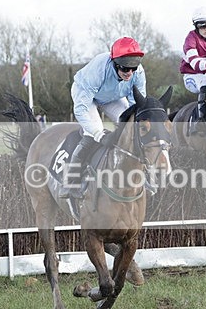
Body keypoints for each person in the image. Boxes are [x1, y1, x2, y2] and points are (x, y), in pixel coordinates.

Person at [59, 37, 147, 199]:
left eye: (132, 68)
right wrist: (98, 134)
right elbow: (81, 110)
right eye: (125, 69)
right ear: (115, 63)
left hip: (113, 97)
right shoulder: (98, 70)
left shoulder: (138, 73)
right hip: (85, 95)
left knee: (130, 126)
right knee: (92, 133)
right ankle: (70, 183)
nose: (129, 73)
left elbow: (137, 106)